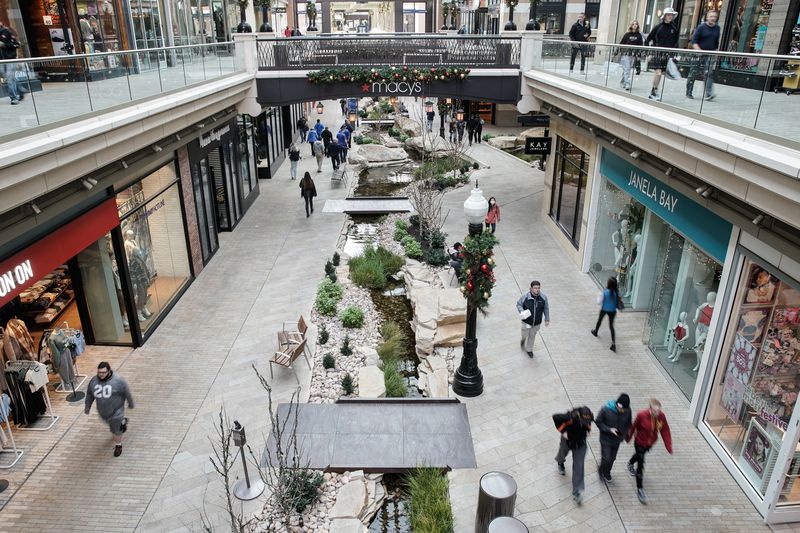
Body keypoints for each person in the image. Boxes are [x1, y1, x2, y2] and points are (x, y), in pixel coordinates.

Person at [626, 398, 672, 504]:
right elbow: (633, 427)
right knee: (641, 465)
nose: (657, 413)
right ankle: (640, 489)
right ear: (650, 409)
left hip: (649, 444)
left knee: (639, 456)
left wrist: (668, 445)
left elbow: (665, 430)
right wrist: (629, 437)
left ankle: (630, 463)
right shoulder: (641, 415)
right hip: (639, 443)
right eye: (655, 411)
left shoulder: (661, 416)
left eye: (659, 411)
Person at [85, 362, 134, 457]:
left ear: (109, 371)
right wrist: (87, 406)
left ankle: (118, 446)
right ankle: (122, 423)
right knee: (112, 426)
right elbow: (90, 394)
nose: (101, 374)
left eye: (103, 372)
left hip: (117, 411)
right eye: (99, 372)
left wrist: (130, 403)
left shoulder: (118, 380)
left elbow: (126, 392)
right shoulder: (94, 381)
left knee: (115, 430)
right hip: (103, 412)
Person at [553, 406, 594, 504]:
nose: (586, 421)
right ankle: (560, 462)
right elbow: (555, 417)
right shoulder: (569, 417)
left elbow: (589, 424)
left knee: (579, 466)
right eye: (584, 419)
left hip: (580, 444)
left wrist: (588, 430)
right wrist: (563, 431)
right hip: (568, 440)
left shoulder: (589, 417)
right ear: (579, 415)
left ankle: (576, 490)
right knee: (562, 453)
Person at [595, 394, 632, 483]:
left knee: (612, 458)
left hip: (617, 439)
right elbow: (598, 422)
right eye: (620, 409)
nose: (622, 411)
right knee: (606, 458)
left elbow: (628, 423)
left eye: (624, 409)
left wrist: (625, 435)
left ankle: (607, 472)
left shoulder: (628, 411)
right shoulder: (605, 410)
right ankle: (601, 470)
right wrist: (609, 429)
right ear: (617, 405)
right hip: (605, 439)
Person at [644, 8, 679, 101]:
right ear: (664, 16)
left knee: (661, 73)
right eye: (668, 15)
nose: (670, 16)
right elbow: (648, 39)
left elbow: (676, 43)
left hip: (667, 55)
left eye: (671, 15)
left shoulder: (674, 28)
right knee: (658, 72)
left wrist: (675, 55)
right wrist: (648, 53)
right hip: (657, 52)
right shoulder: (658, 27)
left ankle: (655, 90)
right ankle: (653, 91)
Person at [686, 10, 720, 100]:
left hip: (710, 54)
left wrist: (716, 53)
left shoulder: (717, 28)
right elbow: (694, 41)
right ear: (707, 17)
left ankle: (708, 94)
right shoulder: (701, 27)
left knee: (708, 73)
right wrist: (699, 51)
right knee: (693, 73)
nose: (713, 18)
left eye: (715, 17)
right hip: (698, 54)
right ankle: (689, 92)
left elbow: (716, 42)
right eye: (711, 16)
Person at [516, 281, 550, 358]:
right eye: (535, 288)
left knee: (532, 336)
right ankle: (523, 339)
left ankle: (529, 350)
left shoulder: (543, 297)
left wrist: (547, 319)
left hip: (536, 323)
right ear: (531, 289)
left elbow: (546, 308)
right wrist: (522, 311)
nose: (537, 290)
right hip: (526, 322)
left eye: (538, 288)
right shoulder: (525, 296)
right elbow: (518, 304)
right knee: (525, 334)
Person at [591, 276, 620, 352]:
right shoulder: (616, 292)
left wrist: (600, 295)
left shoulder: (604, 292)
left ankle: (595, 331)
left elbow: (599, 302)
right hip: (613, 311)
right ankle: (613, 344)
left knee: (600, 320)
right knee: (611, 326)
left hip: (604, 309)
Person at [0, 22, 23, 105]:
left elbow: (17, 44)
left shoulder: (7, 31)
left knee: (10, 79)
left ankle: (14, 98)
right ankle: (20, 90)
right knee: (7, 78)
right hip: (1, 60)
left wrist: (4, 45)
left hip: (10, 59)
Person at [619, 21, 644, 91]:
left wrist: (639, 55)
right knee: (627, 68)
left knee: (628, 69)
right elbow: (621, 43)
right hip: (626, 54)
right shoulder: (627, 34)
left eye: (636, 24)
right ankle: (627, 84)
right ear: (631, 25)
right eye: (633, 24)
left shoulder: (639, 35)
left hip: (633, 55)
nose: (635, 25)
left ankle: (622, 81)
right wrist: (619, 51)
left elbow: (640, 46)